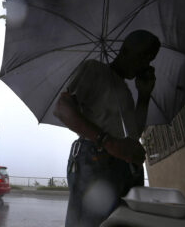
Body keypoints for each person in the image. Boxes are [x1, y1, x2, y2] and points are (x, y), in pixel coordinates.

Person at [53, 30, 161, 227]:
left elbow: (133, 134)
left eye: (150, 59)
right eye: (143, 55)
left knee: (124, 222)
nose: (146, 64)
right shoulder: (95, 69)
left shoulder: (126, 91)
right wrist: (109, 142)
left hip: (124, 167)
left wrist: (144, 95)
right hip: (97, 161)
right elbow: (62, 108)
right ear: (126, 49)